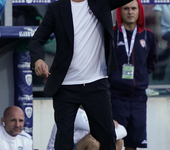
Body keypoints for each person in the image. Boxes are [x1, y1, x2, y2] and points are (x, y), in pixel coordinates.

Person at [28, 0, 133, 149]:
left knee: (108, 136)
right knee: (63, 139)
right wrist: (38, 60)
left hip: (96, 83)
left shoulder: (101, 2)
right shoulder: (56, 8)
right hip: (65, 85)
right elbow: (36, 40)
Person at [109, 0, 157, 150]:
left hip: (139, 99)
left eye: (133, 8)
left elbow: (152, 62)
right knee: (115, 141)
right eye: (126, 8)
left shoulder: (148, 36)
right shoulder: (112, 34)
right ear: (120, 12)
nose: (130, 12)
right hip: (116, 97)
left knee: (134, 143)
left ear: (139, 11)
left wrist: (140, 75)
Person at [47, 108, 127, 150]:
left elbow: (123, 131)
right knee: (92, 141)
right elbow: (102, 130)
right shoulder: (77, 113)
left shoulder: (94, 113)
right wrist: (110, 125)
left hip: (76, 146)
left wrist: (108, 128)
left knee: (118, 141)